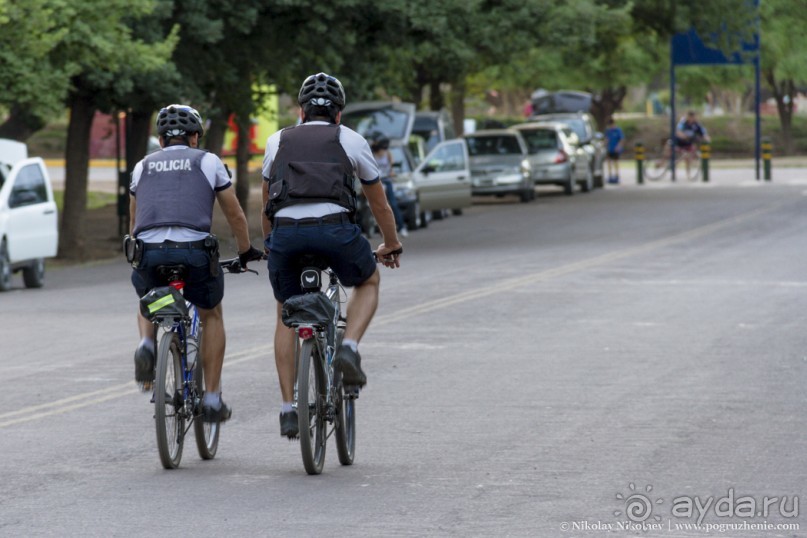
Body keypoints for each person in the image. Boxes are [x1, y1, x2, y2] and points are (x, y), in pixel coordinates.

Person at [261, 72, 403, 439]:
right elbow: (380, 203)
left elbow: (266, 204)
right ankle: (350, 347)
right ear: (339, 113)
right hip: (335, 231)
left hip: (286, 236)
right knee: (369, 279)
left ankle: (288, 408)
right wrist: (390, 243)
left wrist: (270, 244)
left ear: (300, 111)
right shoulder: (350, 140)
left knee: (285, 311)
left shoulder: (277, 140)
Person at [129, 104, 262, 423]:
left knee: (150, 295)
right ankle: (213, 399)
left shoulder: (142, 166)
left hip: (149, 249)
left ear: (160, 141)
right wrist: (245, 251)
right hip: (193, 251)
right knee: (211, 312)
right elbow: (234, 213)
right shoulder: (208, 161)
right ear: (194, 138)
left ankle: (147, 343)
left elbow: (134, 221)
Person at [370, 133, 408, 237]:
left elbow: (391, 168)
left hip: (387, 180)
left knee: (393, 204)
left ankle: (402, 227)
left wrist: (392, 172)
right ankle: (379, 229)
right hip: (377, 182)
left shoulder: (388, 154)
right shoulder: (372, 155)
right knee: (377, 206)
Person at [604, 117, 624, 184]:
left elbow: (621, 139)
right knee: (609, 162)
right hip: (610, 149)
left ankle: (617, 175)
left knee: (616, 162)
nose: (611, 126)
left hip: (616, 149)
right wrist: (605, 145)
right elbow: (606, 139)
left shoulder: (618, 130)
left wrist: (618, 147)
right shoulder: (608, 131)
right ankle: (610, 175)